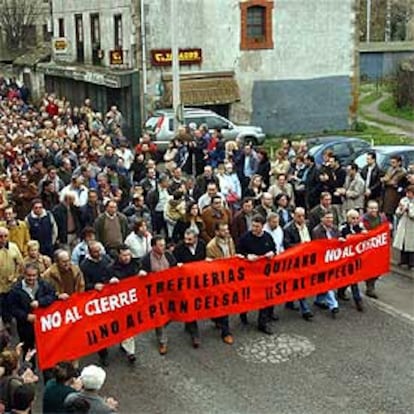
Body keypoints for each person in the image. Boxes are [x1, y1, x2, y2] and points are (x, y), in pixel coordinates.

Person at [237, 215, 276, 334]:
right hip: (249, 273)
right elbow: (238, 251)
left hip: (264, 274)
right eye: (253, 225)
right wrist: (246, 256)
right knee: (248, 297)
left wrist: (272, 253)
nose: (254, 228)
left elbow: (274, 249)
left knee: (265, 297)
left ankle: (263, 322)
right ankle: (243, 313)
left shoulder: (268, 237)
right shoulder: (245, 238)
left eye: (257, 226)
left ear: (263, 226)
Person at [8, 263, 57, 354]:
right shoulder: (15, 289)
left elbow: (52, 296)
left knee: (47, 349)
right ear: (24, 274)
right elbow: (12, 308)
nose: (31, 278)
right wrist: (26, 316)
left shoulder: (44, 285)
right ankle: (30, 367)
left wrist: (40, 302)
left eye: (34, 275)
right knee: (28, 350)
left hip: (44, 323)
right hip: (25, 326)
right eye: (29, 275)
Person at [141, 236, 177, 355]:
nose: (163, 247)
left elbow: (175, 268)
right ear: (153, 246)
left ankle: (161, 324)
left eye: (164, 244)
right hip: (155, 293)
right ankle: (162, 341)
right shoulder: (146, 260)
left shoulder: (169, 255)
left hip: (169, 291)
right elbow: (141, 277)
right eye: (160, 245)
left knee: (173, 313)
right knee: (159, 316)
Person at [173, 229, 206, 348]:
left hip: (200, 280)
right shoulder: (179, 248)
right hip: (186, 283)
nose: (187, 241)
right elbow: (174, 263)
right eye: (185, 239)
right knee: (190, 305)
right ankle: (194, 333)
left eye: (190, 239)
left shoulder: (202, 244)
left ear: (196, 238)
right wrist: (178, 266)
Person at [110, 245, 140, 363]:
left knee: (129, 325)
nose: (127, 257)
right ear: (119, 255)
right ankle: (126, 345)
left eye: (129, 255)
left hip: (132, 300)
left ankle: (130, 350)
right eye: (124, 255)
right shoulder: (112, 268)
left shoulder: (136, 264)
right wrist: (110, 282)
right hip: (119, 302)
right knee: (122, 325)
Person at [206, 222, 235, 345]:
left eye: (227, 230)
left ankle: (216, 318)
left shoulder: (230, 240)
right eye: (223, 230)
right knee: (224, 305)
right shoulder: (211, 246)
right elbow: (211, 265)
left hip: (229, 276)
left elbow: (232, 254)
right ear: (217, 232)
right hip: (219, 279)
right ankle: (226, 332)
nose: (226, 232)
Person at [283, 207, 314, 321]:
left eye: (303, 216)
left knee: (296, 282)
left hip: (307, 259)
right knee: (300, 283)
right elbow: (287, 245)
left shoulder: (308, 226)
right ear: (294, 216)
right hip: (295, 260)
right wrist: (301, 246)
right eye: (299, 216)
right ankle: (305, 309)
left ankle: (289, 301)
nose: (301, 218)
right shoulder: (288, 229)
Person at [311, 210, 340, 317]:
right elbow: (317, 246)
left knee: (324, 282)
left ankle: (319, 299)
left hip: (333, 259)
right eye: (327, 218)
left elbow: (338, 240)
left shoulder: (335, 229)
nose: (330, 220)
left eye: (331, 218)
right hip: (322, 260)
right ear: (322, 219)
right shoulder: (316, 231)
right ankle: (334, 305)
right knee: (327, 282)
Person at [338, 209, 366, 311]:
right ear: (348, 218)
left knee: (352, 278)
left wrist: (365, 234)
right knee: (351, 278)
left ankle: (341, 291)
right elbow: (339, 237)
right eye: (353, 218)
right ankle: (357, 299)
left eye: (357, 218)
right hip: (345, 258)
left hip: (356, 257)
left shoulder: (360, 227)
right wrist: (341, 239)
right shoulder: (343, 227)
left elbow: (365, 235)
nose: (355, 220)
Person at [361, 200, 389, 298]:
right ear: (367, 209)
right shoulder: (363, 219)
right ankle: (370, 287)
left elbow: (386, 228)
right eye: (371, 208)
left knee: (378, 268)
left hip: (379, 247)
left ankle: (371, 284)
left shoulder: (382, 217)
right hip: (368, 247)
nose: (373, 210)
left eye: (375, 208)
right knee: (369, 268)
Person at [0, 226, 23, 329]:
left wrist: (15, 276)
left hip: (11, 285)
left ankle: (10, 324)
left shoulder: (13, 247)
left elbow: (20, 264)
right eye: (0, 236)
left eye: (5, 236)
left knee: (10, 306)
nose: (3, 239)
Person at [393, 185, 414, 269]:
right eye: (407, 193)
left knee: (411, 244)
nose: (407, 194)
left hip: (411, 225)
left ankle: (411, 263)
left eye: (410, 193)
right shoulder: (403, 200)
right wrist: (401, 209)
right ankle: (403, 260)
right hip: (403, 223)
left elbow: (412, 215)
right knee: (403, 242)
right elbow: (397, 213)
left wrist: (408, 210)